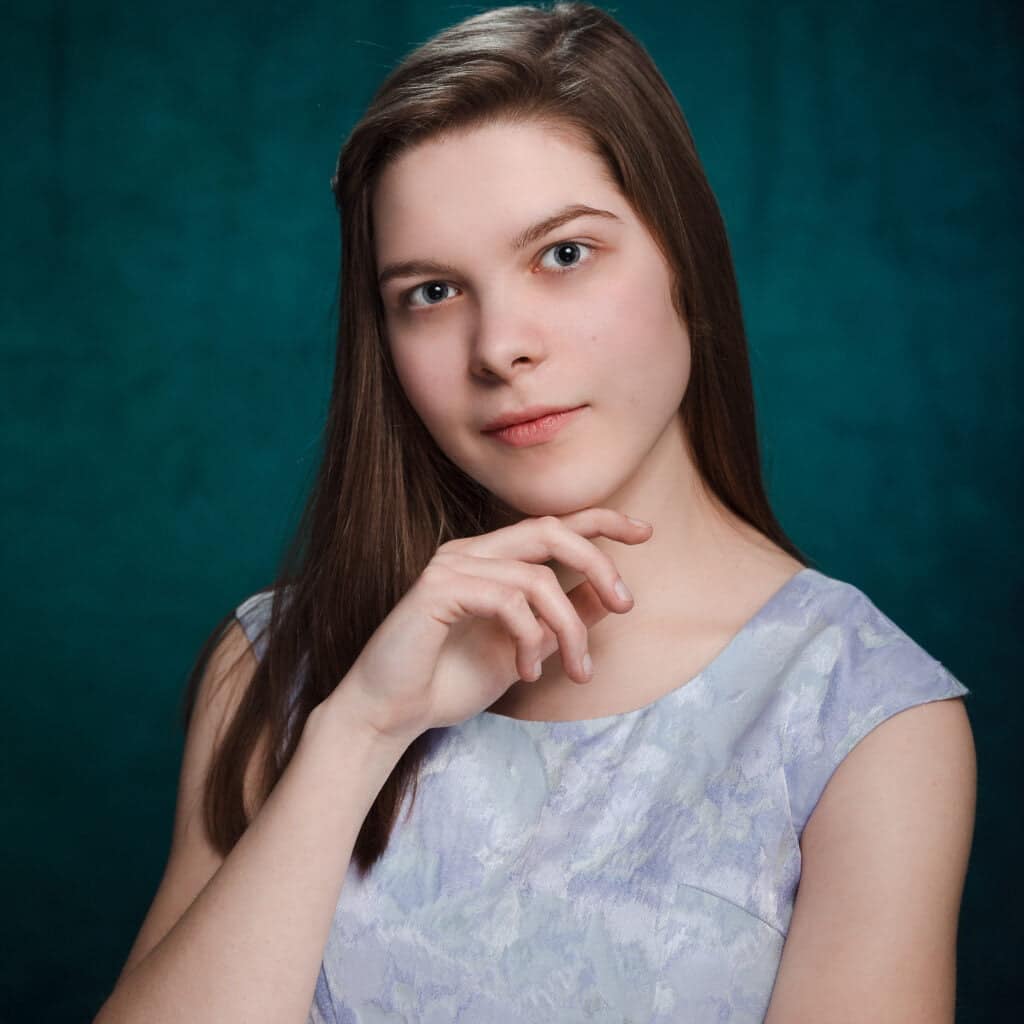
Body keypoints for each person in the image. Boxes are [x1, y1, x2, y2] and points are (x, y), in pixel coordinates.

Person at [95, 3, 976, 1022]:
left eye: (563, 254)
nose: (499, 346)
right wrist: (360, 728)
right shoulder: (273, 665)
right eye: (431, 292)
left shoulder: (862, 718)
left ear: (685, 259)